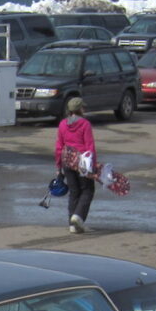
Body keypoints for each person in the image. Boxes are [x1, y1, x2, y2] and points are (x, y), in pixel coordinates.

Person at [54, 96, 96, 235]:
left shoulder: (63, 124)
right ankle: (78, 216)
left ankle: (72, 224)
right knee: (88, 190)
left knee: (74, 192)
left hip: (66, 159)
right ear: (80, 109)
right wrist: (93, 165)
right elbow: (89, 146)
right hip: (82, 161)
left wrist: (58, 166)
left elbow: (59, 146)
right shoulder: (85, 124)